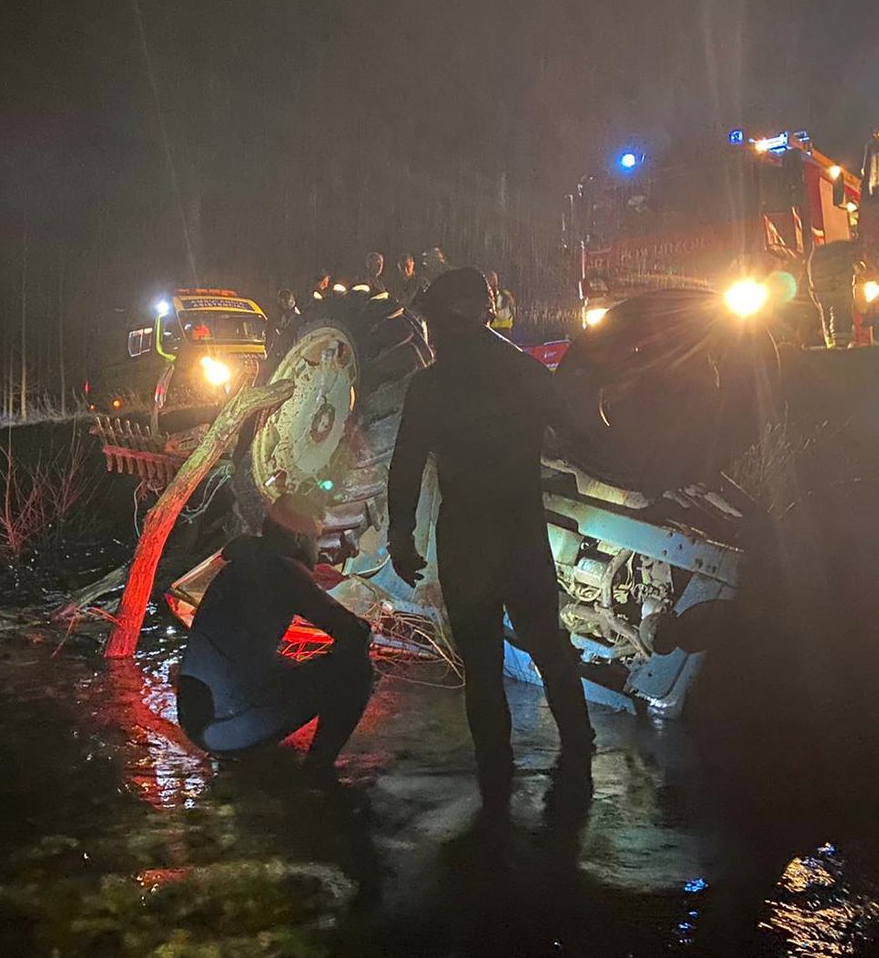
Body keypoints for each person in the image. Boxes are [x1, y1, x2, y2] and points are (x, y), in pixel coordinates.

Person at [387, 267, 594, 804]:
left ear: (452, 316)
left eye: (430, 319)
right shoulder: (526, 373)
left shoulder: (431, 385)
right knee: (549, 645)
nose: (427, 332)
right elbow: (578, 434)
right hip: (522, 531)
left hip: (467, 539)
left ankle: (496, 778)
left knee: (481, 669)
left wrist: (400, 535)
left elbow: (406, 465)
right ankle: (579, 749)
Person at [176, 493, 375, 776]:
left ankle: (238, 746)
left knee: (287, 664)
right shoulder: (284, 571)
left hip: (194, 717)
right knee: (357, 670)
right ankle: (317, 772)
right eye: (314, 540)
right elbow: (353, 633)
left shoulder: (244, 562)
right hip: (223, 728)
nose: (317, 549)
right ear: (297, 539)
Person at [807, 239, 856, 348]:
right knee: (839, 305)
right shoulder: (842, 255)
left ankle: (833, 342)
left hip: (819, 261)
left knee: (828, 306)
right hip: (834, 259)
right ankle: (838, 341)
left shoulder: (818, 257)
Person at [486, 270, 517, 335]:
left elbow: (504, 314)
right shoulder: (504, 295)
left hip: (502, 329)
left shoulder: (503, 296)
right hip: (495, 329)